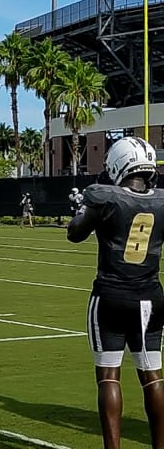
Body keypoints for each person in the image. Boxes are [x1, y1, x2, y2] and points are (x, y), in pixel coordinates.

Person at [67, 136, 164, 449]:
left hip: (111, 293)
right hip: (150, 296)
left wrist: (85, 211)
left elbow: (75, 233)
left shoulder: (105, 196)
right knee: (153, 376)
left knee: (109, 376)